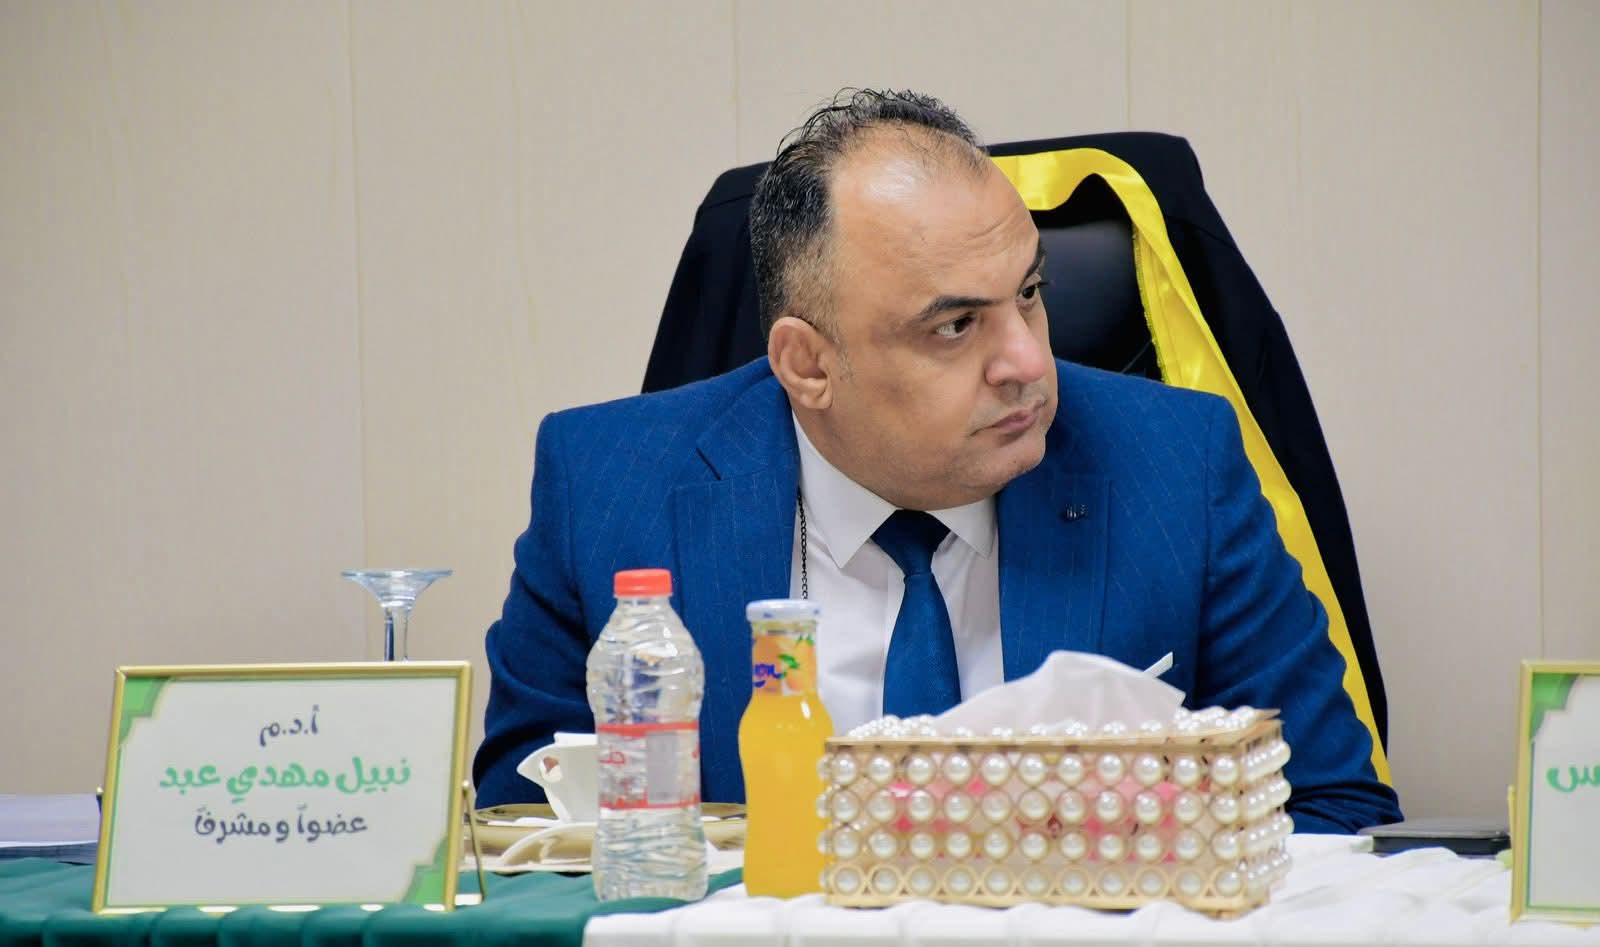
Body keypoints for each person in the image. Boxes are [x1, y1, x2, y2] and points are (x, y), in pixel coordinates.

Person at [474, 89, 1402, 834]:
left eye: (1029, 294)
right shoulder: (606, 491)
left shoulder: (1176, 466)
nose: (1028, 363)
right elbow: (524, 834)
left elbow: (1333, 807)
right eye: (956, 326)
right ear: (808, 364)